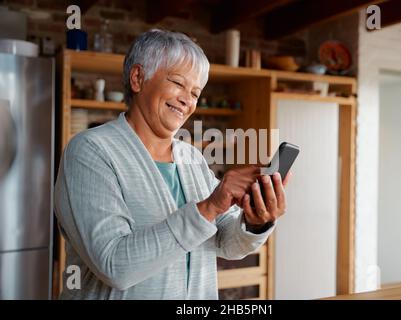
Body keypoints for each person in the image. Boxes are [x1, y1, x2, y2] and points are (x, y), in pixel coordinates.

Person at [54, 29, 291, 299]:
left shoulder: (192, 159)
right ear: (138, 78)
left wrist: (255, 221)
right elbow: (114, 266)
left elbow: (226, 243)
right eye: (178, 83)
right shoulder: (91, 152)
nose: (187, 100)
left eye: (195, 92)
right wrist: (209, 207)